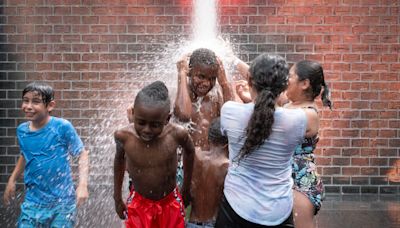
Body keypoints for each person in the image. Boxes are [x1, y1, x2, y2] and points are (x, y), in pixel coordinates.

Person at [215, 54, 318, 227]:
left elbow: (257, 116)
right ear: (285, 85)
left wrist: (225, 81)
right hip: (278, 210)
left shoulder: (229, 112)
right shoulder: (299, 120)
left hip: (236, 207)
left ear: (249, 80)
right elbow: (274, 113)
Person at [3, 81, 89, 227]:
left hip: (62, 203)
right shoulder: (22, 131)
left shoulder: (62, 127)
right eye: (25, 101)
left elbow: (82, 154)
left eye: (35, 102)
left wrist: (82, 185)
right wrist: (12, 179)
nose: (28, 106)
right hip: (32, 202)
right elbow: (26, 155)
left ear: (50, 106)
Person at [113, 81, 195, 228]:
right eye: (141, 123)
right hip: (139, 203)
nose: (147, 130)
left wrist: (186, 188)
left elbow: (190, 151)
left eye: (155, 125)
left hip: (169, 203)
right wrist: (117, 197)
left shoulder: (177, 134)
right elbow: (119, 160)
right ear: (133, 114)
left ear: (167, 119)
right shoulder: (124, 136)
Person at [285, 60, 332, 228]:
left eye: (290, 76)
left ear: (304, 83)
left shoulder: (309, 114)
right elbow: (263, 80)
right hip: (284, 177)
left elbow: (278, 119)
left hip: (301, 182)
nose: (285, 79)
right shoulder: (290, 104)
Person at [174, 48, 234, 151]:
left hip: (209, 162)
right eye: (201, 77)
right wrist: (181, 73)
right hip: (184, 164)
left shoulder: (215, 98)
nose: (206, 83)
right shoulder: (180, 95)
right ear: (189, 71)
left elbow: (234, 118)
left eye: (212, 79)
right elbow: (184, 115)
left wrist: (224, 83)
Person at [187, 117, 229, 228]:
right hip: (213, 223)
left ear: (208, 138)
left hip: (191, 222)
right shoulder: (227, 166)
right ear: (226, 143)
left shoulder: (195, 155)